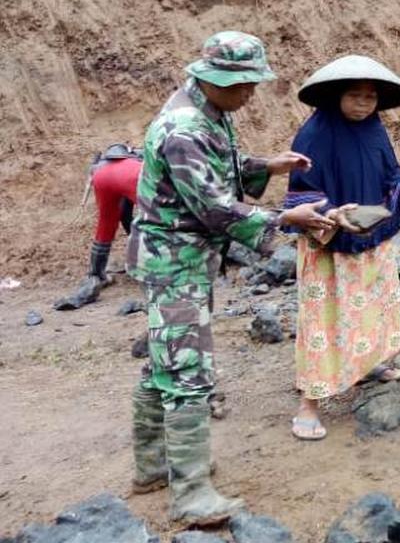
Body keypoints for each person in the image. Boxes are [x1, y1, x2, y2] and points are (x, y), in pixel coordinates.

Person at [128, 32, 335, 525]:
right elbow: (213, 206)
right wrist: (287, 220)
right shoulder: (182, 127)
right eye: (244, 84)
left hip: (183, 258)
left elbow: (217, 168)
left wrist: (267, 165)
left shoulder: (208, 114)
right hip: (173, 260)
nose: (251, 93)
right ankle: (191, 493)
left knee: (166, 359)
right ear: (216, 79)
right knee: (187, 370)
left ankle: (154, 467)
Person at [286, 55, 400, 441]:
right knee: (324, 319)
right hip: (328, 243)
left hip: (371, 236)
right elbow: (300, 196)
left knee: (373, 304)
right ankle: (309, 403)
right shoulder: (314, 135)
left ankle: (365, 366)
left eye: (371, 96)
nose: (364, 103)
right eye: (355, 95)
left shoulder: (375, 131)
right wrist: (331, 215)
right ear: (336, 96)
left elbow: (393, 179)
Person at [54, 144, 143, 310]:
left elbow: (123, 215)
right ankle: (156, 269)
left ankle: (96, 275)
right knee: (156, 220)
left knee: (106, 223)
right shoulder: (144, 163)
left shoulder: (107, 162)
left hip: (101, 175)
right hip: (132, 176)